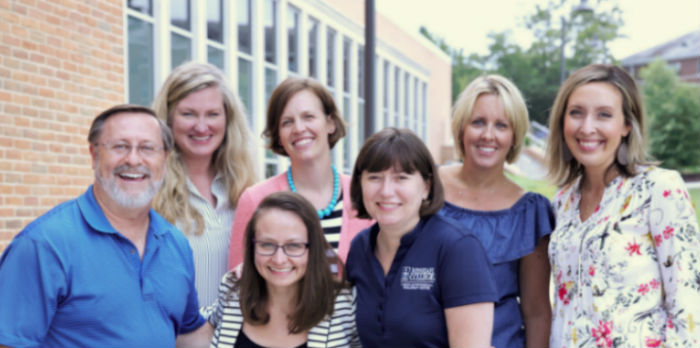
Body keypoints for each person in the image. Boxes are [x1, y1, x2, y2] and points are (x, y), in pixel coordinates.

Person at [0, 105, 206, 347]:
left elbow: (189, 336)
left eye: (147, 148)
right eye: (119, 146)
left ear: (165, 159)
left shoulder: (176, 244)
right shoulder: (43, 245)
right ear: (94, 155)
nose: (133, 159)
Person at [545, 64, 700, 348]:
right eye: (576, 112)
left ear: (626, 125)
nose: (587, 127)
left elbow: (690, 306)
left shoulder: (659, 189)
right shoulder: (562, 201)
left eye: (604, 114)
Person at [346, 127, 498, 347]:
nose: (386, 191)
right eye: (375, 177)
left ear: (426, 187)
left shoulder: (457, 248)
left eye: (401, 178)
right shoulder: (360, 248)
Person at [438, 75, 554, 348]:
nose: (488, 134)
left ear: (514, 136)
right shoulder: (427, 188)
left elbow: (537, 312)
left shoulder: (529, 211)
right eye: (478, 122)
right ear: (461, 129)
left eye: (501, 125)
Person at [228, 77, 372, 269]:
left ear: (330, 124)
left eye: (308, 117)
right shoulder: (256, 200)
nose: (299, 128)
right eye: (287, 122)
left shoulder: (364, 194)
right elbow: (239, 287)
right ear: (278, 136)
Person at [186, 191, 360, 347]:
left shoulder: (342, 302)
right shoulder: (234, 291)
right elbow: (189, 320)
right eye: (267, 245)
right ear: (252, 246)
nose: (279, 259)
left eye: (293, 246)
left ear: (312, 248)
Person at [152, 62, 257, 306]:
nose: (201, 126)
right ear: (168, 119)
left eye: (212, 114)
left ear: (228, 119)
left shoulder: (246, 189)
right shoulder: (149, 190)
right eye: (188, 114)